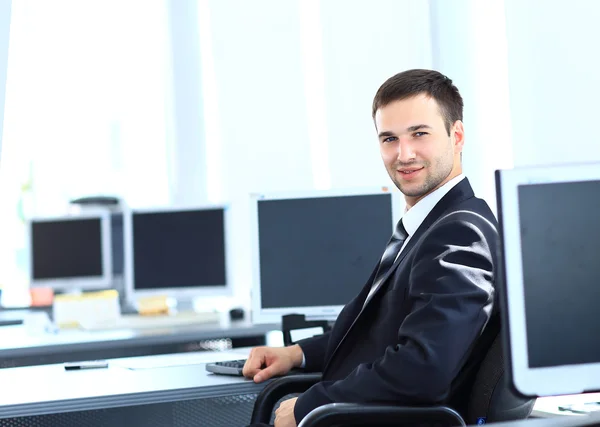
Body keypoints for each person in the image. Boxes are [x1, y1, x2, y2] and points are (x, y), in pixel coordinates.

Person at [244, 69, 499, 427]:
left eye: (419, 134)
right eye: (389, 139)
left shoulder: (460, 232)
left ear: (456, 136)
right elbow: (380, 331)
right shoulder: (431, 223)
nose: (403, 154)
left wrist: (309, 406)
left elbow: (424, 368)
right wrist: (297, 353)